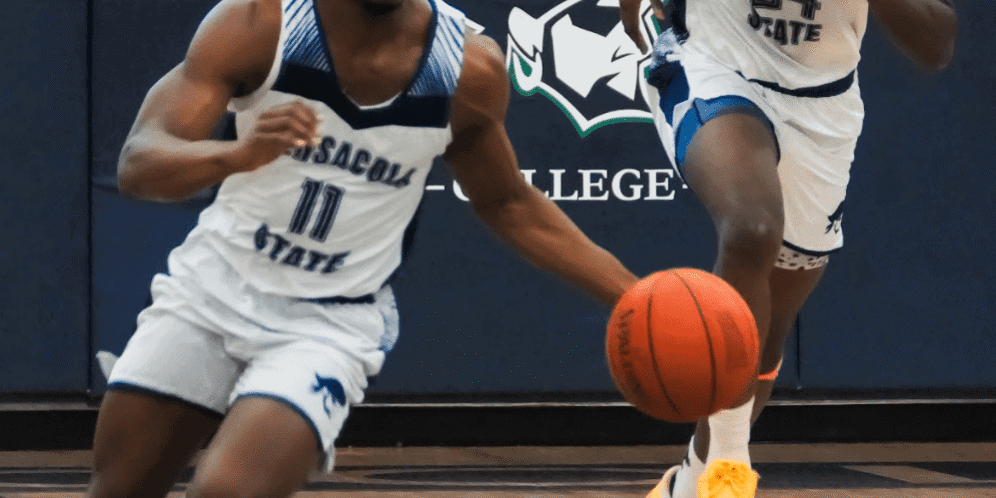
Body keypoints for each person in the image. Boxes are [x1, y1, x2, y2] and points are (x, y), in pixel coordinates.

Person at [86, 0, 640, 496]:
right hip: (208, 292)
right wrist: (236, 155)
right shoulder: (259, 23)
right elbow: (139, 163)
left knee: (229, 491)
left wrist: (636, 297)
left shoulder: (467, 68)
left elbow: (508, 202)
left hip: (328, 324)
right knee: (120, 488)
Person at [617, 0, 958, 496]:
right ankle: (730, 469)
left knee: (767, 330)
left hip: (823, 101)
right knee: (752, 229)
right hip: (714, 61)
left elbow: (935, 42)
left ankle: (689, 482)